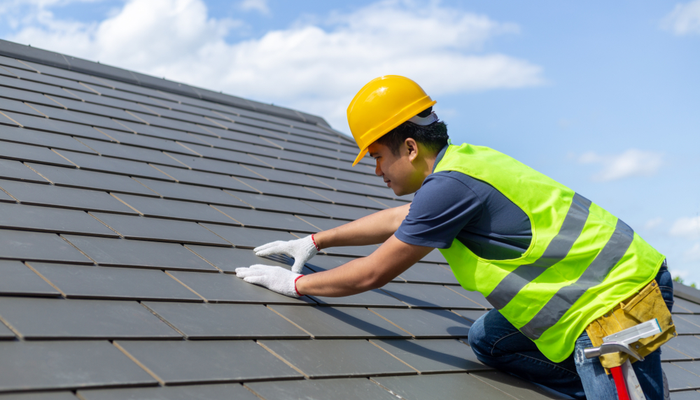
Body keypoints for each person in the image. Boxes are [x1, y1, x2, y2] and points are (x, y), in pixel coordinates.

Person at [235, 75, 674, 399]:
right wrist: (316, 242)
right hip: (592, 294)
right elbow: (398, 220)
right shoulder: (461, 165)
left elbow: (373, 273)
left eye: (378, 157)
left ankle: (612, 385)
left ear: (409, 147)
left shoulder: (450, 186)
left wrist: (295, 285)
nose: (376, 171)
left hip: (617, 305)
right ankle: (596, 383)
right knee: (489, 339)